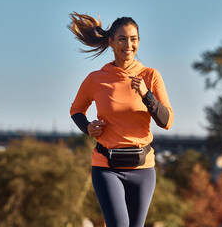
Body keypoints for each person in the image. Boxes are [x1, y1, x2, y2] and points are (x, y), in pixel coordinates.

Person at [68, 12, 174, 227]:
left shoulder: (150, 76)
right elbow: (76, 109)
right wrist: (87, 127)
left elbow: (167, 121)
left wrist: (147, 95)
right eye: (122, 39)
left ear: (139, 42)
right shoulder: (96, 79)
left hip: (143, 169)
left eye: (133, 39)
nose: (128, 44)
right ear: (111, 42)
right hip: (106, 166)